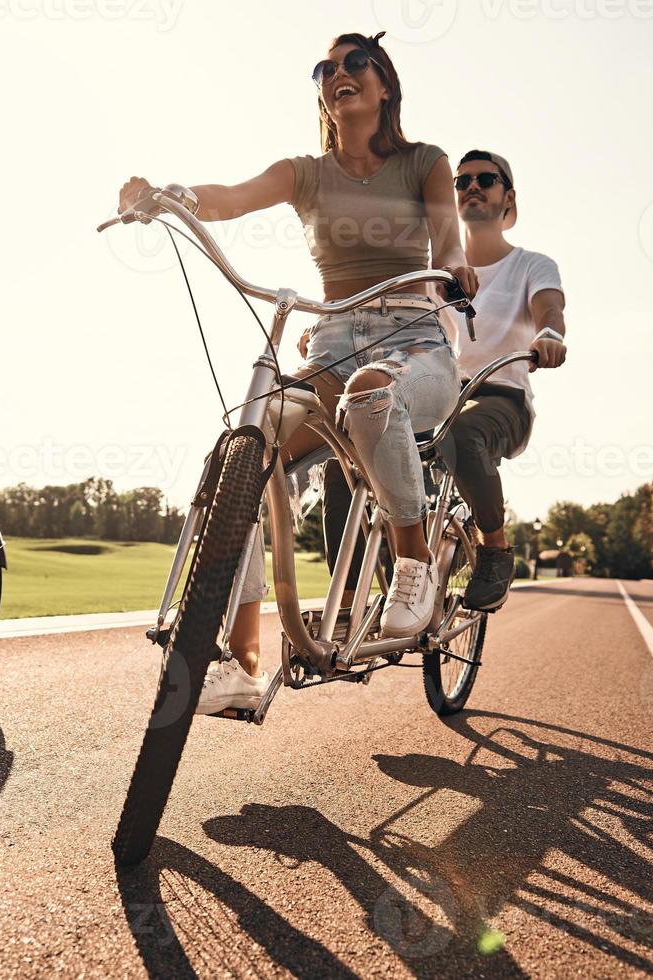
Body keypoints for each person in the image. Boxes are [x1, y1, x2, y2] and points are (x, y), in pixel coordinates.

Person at [117, 31, 476, 714]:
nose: (339, 74)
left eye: (355, 63)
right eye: (326, 68)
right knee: (243, 458)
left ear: (385, 85)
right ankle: (242, 662)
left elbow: (448, 234)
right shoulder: (305, 173)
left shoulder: (426, 162)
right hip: (333, 344)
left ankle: (413, 563)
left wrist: (455, 269)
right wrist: (172, 196)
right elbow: (231, 196)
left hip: (416, 342)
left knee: (373, 397)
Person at [438, 150, 567, 610]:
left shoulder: (532, 265)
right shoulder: (439, 273)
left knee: (461, 433)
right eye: (462, 181)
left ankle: (494, 547)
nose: (472, 186)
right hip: (443, 396)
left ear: (507, 197)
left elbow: (550, 310)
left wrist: (549, 335)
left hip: (502, 397)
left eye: (486, 180)